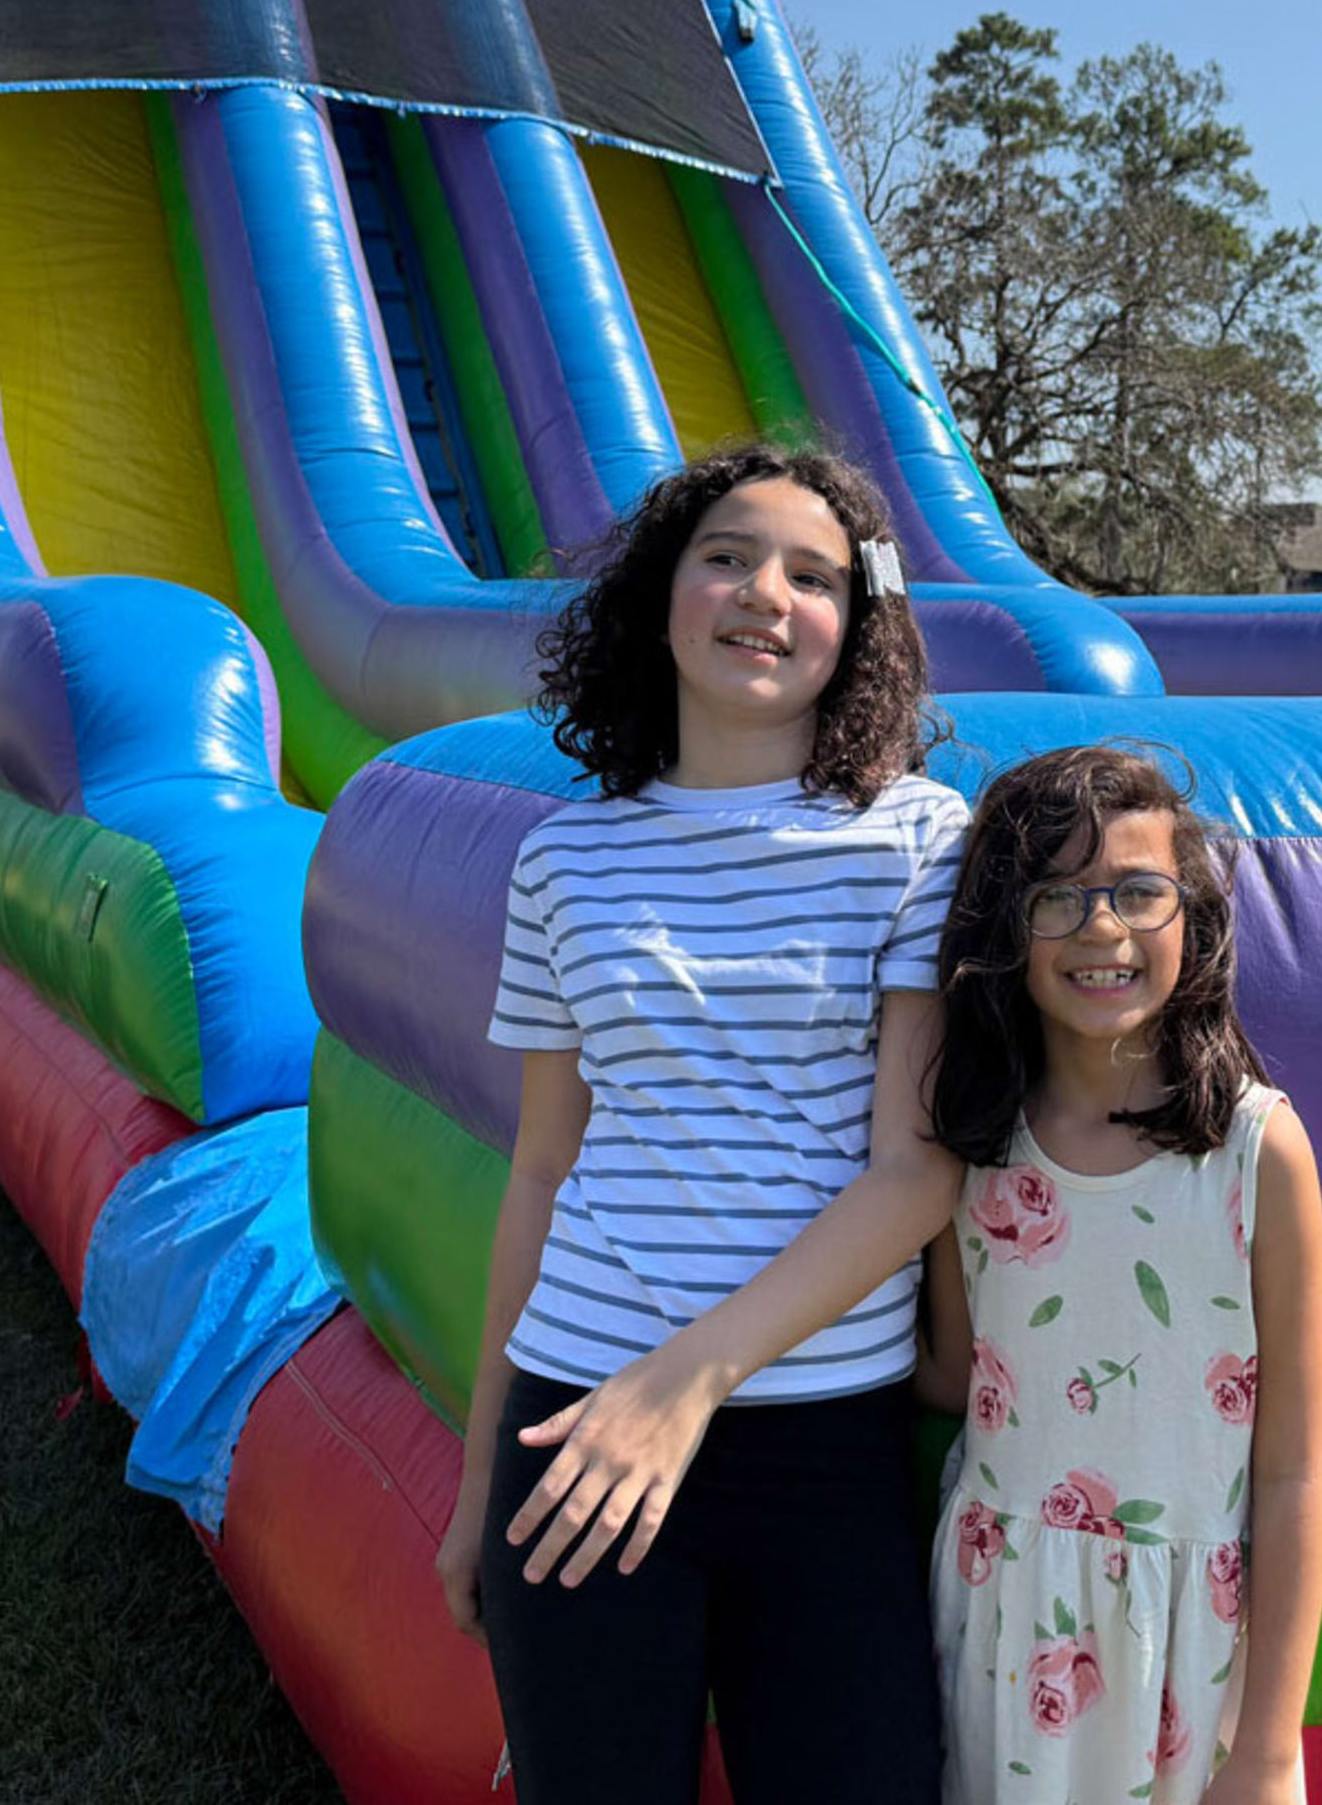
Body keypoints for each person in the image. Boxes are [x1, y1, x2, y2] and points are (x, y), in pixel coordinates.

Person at [441, 445, 965, 1804]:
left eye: (813, 573)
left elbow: (915, 1174)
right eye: (727, 554)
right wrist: (472, 1485)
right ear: (661, 591)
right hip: (577, 1424)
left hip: (817, 1437)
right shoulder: (563, 857)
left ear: (856, 625)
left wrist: (688, 1383)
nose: (764, 594)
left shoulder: (918, 837)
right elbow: (543, 1170)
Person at [915, 746, 1322, 1805]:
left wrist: (1272, 1745)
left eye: (1139, 891)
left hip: (1184, 1648)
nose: (1102, 927)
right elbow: (959, 1376)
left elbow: (1293, 1472)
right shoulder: (975, 1145)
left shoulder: (1254, 1151)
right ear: (1006, 927)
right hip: (1004, 1625)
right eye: (1058, 896)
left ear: (1191, 913)